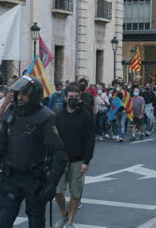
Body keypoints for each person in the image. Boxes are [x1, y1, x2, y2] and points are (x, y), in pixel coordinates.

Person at [0, 75, 67, 228]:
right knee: (3, 223)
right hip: (10, 178)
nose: (20, 97)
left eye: (24, 94)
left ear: (34, 95)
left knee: (36, 223)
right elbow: (0, 145)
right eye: (18, 93)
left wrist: (52, 183)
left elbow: (59, 153)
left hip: (34, 180)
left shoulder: (46, 117)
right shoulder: (11, 112)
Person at [54, 83, 95, 228]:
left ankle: (70, 221)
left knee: (75, 192)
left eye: (76, 97)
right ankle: (64, 214)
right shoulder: (58, 114)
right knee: (57, 191)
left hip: (78, 160)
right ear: (65, 97)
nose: (73, 99)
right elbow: (53, 137)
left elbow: (90, 139)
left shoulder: (86, 115)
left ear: (79, 98)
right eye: (70, 96)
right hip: (60, 160)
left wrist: (86, 161)